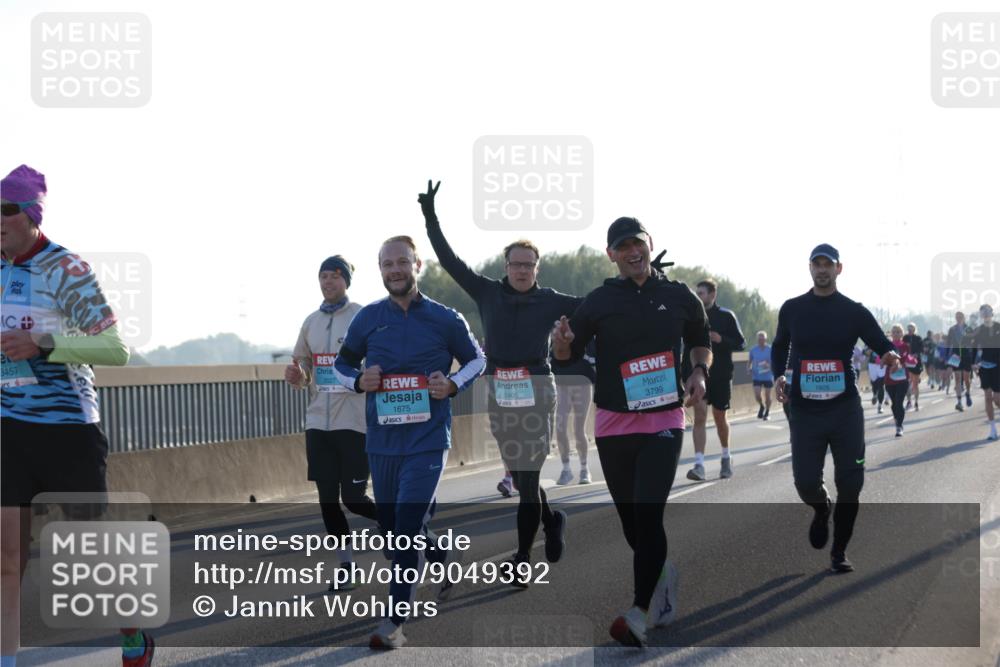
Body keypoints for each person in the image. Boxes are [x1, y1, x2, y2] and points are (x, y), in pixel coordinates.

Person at [0, 165, 153, 666]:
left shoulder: (66, 269)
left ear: (31, 216)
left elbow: (115, 349)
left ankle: (133, 635)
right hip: (8, 428)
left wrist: (43, 343)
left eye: (6, 210)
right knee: (7, 559)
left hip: (67, 430)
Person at [552, 216, 711, 647]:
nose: (632, 252)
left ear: (649, 244)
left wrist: (699, 370)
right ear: (612, 254)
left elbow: (700, 337)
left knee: (647, 512)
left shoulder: (678, 295)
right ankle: (661, 575)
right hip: (614, 422)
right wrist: (561, 342)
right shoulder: (599, 300)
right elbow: (566, 355)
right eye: (622, 247)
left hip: (664, 419)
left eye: (637, 244)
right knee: (631, 525)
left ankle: (638, 613)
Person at [333, 235, 486, 649]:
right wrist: (358, 380)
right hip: (382, 443)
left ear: (417, 265)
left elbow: (477, 359)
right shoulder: (368, 318)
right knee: (393, 531)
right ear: (381, 271)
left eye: (402, 262)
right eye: (388, 264)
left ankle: (394, 623)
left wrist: (452, 384)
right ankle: (443, 557)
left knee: (404, 532)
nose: (395, 270)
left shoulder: (445, 318)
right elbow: (342, 365)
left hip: (427, 440)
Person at [419, 181, 575, 575]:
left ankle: (521, 559)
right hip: (500, 391)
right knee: (521, 479)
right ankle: (551, 520)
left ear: (537, 268)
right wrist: (430, 217)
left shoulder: (551, 300)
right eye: (516, 264)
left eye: (528, 265)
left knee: (529, 476)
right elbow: (450, 261)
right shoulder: (487, 292)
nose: (522, 270)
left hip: (537, 389)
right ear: (506, 267)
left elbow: (598, 308)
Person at [772, 244, 899, 574]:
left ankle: (839, 552)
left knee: (851, 483)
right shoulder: (792, 309)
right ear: (810, 268)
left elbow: (879, 341)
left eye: (828, 264)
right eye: (817, 264)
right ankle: (821, 507)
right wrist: (778, 376)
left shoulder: (853, 311)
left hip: (845, 411)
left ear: (838, 269)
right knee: (805, 482)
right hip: (804, 411)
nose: (822, 269)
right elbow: (779, 345)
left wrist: (890, 354)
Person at [285, 255, 378, 591]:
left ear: (346, 281)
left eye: (335, 276)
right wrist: (298, 375)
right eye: (323, 276)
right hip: (317, 423)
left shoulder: (362, 316)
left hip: (354, 422)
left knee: (354, 498)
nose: (328, 281)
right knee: (327, 500)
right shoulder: (310, 322)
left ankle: (403, 525)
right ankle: (346, 566)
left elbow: (379, 359)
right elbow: (304, 369)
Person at [685, 279, 745, 481]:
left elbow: (741, 343)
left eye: (701, 293)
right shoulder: (692, 316)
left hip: (721, 375)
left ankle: (726, 457)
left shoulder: (726, 316)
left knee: (720, 417)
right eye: (697, 293)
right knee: (700, 416)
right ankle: (699, 465)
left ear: (712, 295)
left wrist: (721, 339)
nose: (698, 296)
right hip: (698, 375)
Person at [553, 339, 596, 484]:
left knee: (579, 429)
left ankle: (584, 469)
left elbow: (593, 356)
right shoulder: (555, 329)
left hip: (582, 382)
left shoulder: (584, 329)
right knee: (560, 427)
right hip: (561, 383)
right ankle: (566, 469)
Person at [972, 304, 1000, 441]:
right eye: (983, 312)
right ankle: (992, 429)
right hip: (984, 366)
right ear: (981, 315)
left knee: (997, 399)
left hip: (998, 366)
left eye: (988, 312)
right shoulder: (978, 330)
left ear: (992, 313)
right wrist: (973, 363)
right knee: (988, 397)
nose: (986, 314)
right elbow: (973, 348)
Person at [885, 325, 914, 437]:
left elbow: (904, 358)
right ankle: (897, 420)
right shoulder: (886, 345)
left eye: (898, 332)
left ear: (902, 334)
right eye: (894, 332)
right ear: (891, 334)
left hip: (902, 379)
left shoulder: (905, 346)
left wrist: (896, 362)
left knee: (899, 402)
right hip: (889, 379)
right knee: (894, 404)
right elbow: (881, 358)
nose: (896, 334)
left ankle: (899, 426)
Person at [947, 312, 974, 411]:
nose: (958, 318)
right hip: (955, 355)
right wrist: (948, 359)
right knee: (957, 379)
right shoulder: (952, 329)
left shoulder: (969, 328)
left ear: (963, 317)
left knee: (966, 379)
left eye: (960, 317)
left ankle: (968, 393)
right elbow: (948, 344)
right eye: (957, 317)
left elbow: (973, 342)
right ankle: (959, 402)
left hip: (966, 355)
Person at [748, 331, 774, 419]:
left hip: (768, 376)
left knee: (767, 396)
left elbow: (775, 361)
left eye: (762, 339)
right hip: (757, 376)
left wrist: (768, 365)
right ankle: (762, 406)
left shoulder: (770, 349)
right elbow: (750, 361)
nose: (761, 340)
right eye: (759, 339)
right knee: (757, 395)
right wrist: (749, 368)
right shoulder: (753, 350)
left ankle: (767, 411)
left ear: (765, 339)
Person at [901, 323, 924, 411]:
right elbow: (901, 348)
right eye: (908, 329)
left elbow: (922, 349)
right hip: (907, 362)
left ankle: (916, 402)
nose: (910, 330)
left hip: (916, 363)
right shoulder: (905, 338)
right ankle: (909, 401)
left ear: (914, 329)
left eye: (911, 329)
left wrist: (916, 354)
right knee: (908, 382)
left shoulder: (918, 338)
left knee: (915, 384)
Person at [866, 348, 886, 413]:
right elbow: (865, 352)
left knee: (881, 384)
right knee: (874, 383)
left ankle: (880, 405)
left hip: (882, 364)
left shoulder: (885, 341)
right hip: (872, 364)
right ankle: (875, 395)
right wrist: (869, 351)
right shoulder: (869, 342)